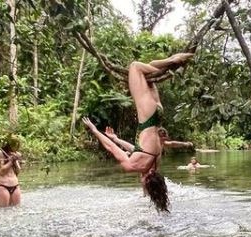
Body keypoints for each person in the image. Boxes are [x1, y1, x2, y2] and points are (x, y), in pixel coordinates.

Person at [82, 52, 194, 212]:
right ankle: (173, 61)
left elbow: (135, 149)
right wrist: (94, 130)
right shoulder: (134, 165)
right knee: (135, 67)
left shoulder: (154, 163)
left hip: (158, 113)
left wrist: (116, 138)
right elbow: (110, 148)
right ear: (147, 180)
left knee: (151, 72)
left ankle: (174, 61)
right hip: (147, 115)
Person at [0, 137, 22, 207]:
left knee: (16, 210)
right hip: (3, 186)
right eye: (14, 145)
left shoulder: (15, 154)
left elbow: (18, 171)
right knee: (3, 212)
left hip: (15, 185)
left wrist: (15, 160)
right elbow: (1, 171)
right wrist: (11, 161)